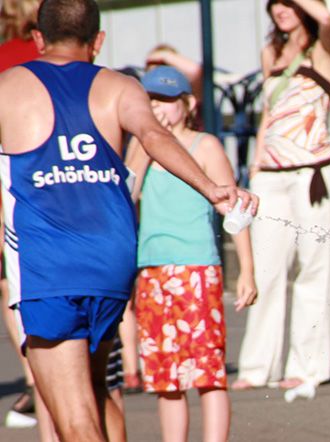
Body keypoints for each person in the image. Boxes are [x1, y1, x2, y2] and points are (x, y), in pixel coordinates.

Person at [0, 1, 257, 441]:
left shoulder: (9, 86)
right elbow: (155, 135)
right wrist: (211, 188)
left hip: (49, 264)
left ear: (38, 38)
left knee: (73, 419)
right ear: (98, 41)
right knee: (97, 391)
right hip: (111, 258)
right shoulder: (120, 87)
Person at [126, 65, 257, 441]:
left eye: (166, 100)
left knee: (208, 372)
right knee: (165, 377)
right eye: (151, 101)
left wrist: (247, 270)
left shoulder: (206, 146)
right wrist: (144, 148)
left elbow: (234, 210)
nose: (158, 107)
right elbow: (126, 196)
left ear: (188, 104)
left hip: (197, 270)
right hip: (152, 270)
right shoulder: (141, 146)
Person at [232, 0, 330, 394]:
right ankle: (257, 366)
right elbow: (269, 113)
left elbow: (326, 18)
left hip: (313, 173)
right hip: (270, 175)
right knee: (265, 268)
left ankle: (306, 366)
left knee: (314, 270)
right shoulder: (271, 52)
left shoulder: (323, 50)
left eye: (289, 2)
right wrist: (255, 166)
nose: (280, 8)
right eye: (275, 2)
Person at [0, 0, 41, 429]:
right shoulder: (59, 55)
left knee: (11, 281)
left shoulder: (10, 58)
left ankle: (36, 378)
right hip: (54, 185)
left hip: (13, 186)